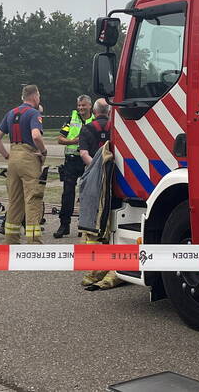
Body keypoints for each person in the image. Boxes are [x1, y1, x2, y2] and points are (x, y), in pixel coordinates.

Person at [0, 84, 47, 244]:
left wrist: (7, 155)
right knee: (32, 199)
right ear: (35, 96)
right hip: (28, 157)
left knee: (15, 201)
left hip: (13, 157)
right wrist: (43, 151)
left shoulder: (10, 113)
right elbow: (36, 136)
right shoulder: (34, 113)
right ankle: (34, 241)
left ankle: (11, 240)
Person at [77, 98, 122, 290]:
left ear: (94, 112)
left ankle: (96, 268)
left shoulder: (87, 129)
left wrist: (96, 170)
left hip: (97, 180)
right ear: (109, 111)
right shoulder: (117, 128)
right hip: (118, 177)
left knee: (95, 223)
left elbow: (83, 153)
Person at [54, 95, 94, 238]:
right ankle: (64, 225)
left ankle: (83, 226)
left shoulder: (94, 120)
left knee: (87, 195)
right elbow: (60, 139)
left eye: (83, 105)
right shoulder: (71, 119)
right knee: (67, 194)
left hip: (87, 162)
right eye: (79, 105)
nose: (81, 108)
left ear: (90, 106)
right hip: (71, 161)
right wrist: (74, 141)